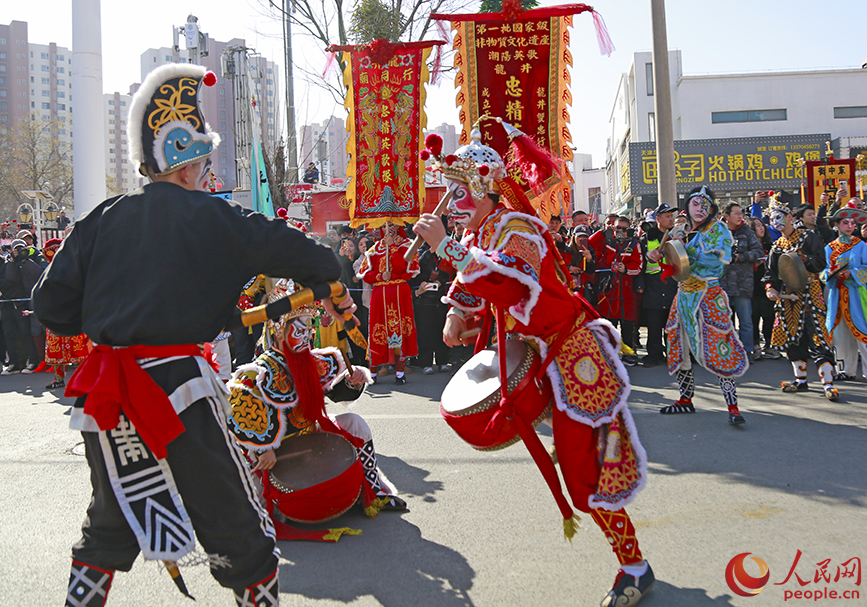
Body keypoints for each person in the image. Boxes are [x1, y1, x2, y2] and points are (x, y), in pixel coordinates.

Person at [32, 64, 356, 607]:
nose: (207, 176)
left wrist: (109, 320)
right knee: (232, 518)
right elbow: (297, 250)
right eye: (204, 165)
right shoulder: (214, 217)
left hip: (106, 397)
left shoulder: (100, 219)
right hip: (177, 389)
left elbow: (49, 305)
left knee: (108, 521)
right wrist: (330, 270)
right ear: (184, 165)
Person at [413, 124, 654, 607]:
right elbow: (473, 283)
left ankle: (635, 567)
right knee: (577, 465)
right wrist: (458, 314)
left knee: (584, 470)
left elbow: (509, 282)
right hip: (542, 354)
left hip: (572, 353)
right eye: (447, 190)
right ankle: (634, 562)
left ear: (482, 187)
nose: (450, 199)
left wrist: (444, 247)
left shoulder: (518, 228)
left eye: (457, 189)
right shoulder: (480, 230)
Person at [226, 278, 405, 518]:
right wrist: (263, 448)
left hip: (310, 434)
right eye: (299, 331)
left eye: (309, 330)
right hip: (276, 449)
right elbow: (241, 412)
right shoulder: (261, 370)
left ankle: (373, 491)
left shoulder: (313, 360)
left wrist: (353, 380)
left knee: (355, 423)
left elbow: (336, 393)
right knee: (253, 511)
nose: (306, 338)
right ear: (279, 330)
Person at [661, 186, 748, 424]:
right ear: (687, 205)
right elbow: (674, 264)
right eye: (695, 204)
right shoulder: (683, 231)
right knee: (677, 342)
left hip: (708, 293)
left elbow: (717, 260)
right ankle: (685, 399)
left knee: (721, 343)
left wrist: (685, 250)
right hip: (683, 295)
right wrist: (662, 254)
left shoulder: (717, 229)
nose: (700, 209)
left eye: (705, 205)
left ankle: (733, 406)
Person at [763, 193, 839, 401]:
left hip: (810, 293)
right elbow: (770, 274)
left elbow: (821, 263)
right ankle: (801, 380)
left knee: (818, 336)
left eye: (779, 216)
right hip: (788, 298)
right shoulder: (777, 246)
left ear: (790, 217)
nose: (775, 221)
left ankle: (828, 383)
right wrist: (771, 288)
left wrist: (805, 259)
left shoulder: (808, 237)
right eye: (772, 217)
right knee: (792, 338)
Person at [356, 222, 419, 385]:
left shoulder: (407, 245)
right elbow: (365, 273)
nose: (388, 229)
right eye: (386, 225)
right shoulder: (375, 248)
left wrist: (393, 248)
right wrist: (378, 276)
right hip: (379, 294)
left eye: (392, 225)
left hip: (399, 292)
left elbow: (404, 269)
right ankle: (374, 371)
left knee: (399, 328)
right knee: (378, 329)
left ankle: (400, 370)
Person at [820, 204, 867, 381]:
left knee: (863, 331)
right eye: (845, 222)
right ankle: (846, 370)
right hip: (837, 295)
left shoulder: (861, 245)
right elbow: (823, 272)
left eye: (853, 223)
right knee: (840, 334)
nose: (850, 226)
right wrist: (830, 273)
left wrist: (851, 273)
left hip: (857, 294)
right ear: (837, 225)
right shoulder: (829, 248)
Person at [590, 216, 643, 366]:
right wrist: (604, 231)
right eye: (618, 228)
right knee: (609, 324)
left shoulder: (634, 243)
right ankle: (609, 353)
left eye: (625, 229)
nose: (622, 232)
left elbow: (638, 265)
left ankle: (629, 354)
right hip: (608, 290)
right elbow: (590, 243)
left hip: (627, 291)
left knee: (627, 324)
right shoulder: (607, 241)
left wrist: (626, 269)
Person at [41, 238, 90, 389]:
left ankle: (85, 379)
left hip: (74, 315)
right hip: (55, 317)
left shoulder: (77, 270)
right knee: (57, 349)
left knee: (79, 348)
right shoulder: (48, 272)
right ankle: (59, 378)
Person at [719, 201, 763, 363]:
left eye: (741, 214)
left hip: (743, 283)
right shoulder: (719, 233)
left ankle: (747, 351)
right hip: (722, 285)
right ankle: (727, 352)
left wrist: (740, 257)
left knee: (746, 321)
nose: (740, 217)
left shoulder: (747, 233)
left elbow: (759, 252)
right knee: (724, 323)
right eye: (736, 214)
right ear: (726, 216)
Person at [636, 203, 677, 368]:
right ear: (658, 219)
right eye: (667, 216)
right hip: (653, 285)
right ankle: (654, 354)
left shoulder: (675, 237)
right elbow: (639, 263)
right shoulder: (645, 239)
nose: (671, 219)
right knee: (653, 323)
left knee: (671, 323)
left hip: (671, 284)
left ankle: (672, 354)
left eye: (671, 216)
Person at [748, 218, 780, 360]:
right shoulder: (748, 246)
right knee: (754, 316)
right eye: (757, 226)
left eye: (762, 225)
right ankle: (755, 345)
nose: (761, 228)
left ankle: (769, 344)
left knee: (769, 315)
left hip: (768, 284)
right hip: (753, 283)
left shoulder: (770, 245)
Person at [567, 225, 597, 306]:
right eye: (579, 236)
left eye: (585, 237)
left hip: (584, 288)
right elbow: (558, 266)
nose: (581, 239)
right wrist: (569, 268)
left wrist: (589, 259)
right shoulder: (567, 249)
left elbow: (591, 272)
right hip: (569, 286)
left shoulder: (591, 251)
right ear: (574, 236)